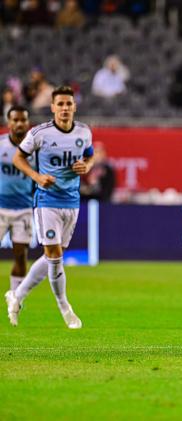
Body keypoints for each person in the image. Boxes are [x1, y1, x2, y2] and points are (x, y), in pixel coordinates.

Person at [5, 85, 94, 329]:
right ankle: (65, 307)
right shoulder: (40, 133)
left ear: (74, 107)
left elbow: (89, 155)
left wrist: (86, 165)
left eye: (69, 104)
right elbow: (18, 158)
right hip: (46, 200)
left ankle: (17, 296)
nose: (65, 108)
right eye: (60, 104)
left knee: (52, 256)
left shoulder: (84, 132)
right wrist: (37, 177)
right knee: (55, 256)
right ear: (53, 107)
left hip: (71, 200)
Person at [0, 106, 35, 294]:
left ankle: (14, 297)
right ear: (9, 123)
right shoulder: (1, 145)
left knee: (20, 256)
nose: (19, 123)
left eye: (23, 120)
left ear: (28, 123)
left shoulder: (35, 150)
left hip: (23, 208)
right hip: (0, 207)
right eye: (15, 120)